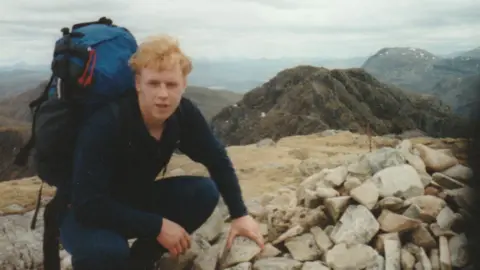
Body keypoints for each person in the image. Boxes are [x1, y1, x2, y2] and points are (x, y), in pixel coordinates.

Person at [58, 35, 264, 270]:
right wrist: (157, 226)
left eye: (171, 84)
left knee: (204, 192)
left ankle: (141, 263)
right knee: (107, 252)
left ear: (184, 84)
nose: (163, 94)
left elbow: (217, 160)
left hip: (132, 201)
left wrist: (240, 215)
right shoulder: (107, 122)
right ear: (138, 83)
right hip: (83, 214)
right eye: (154, 83)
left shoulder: (183, 114)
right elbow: (88, 204)